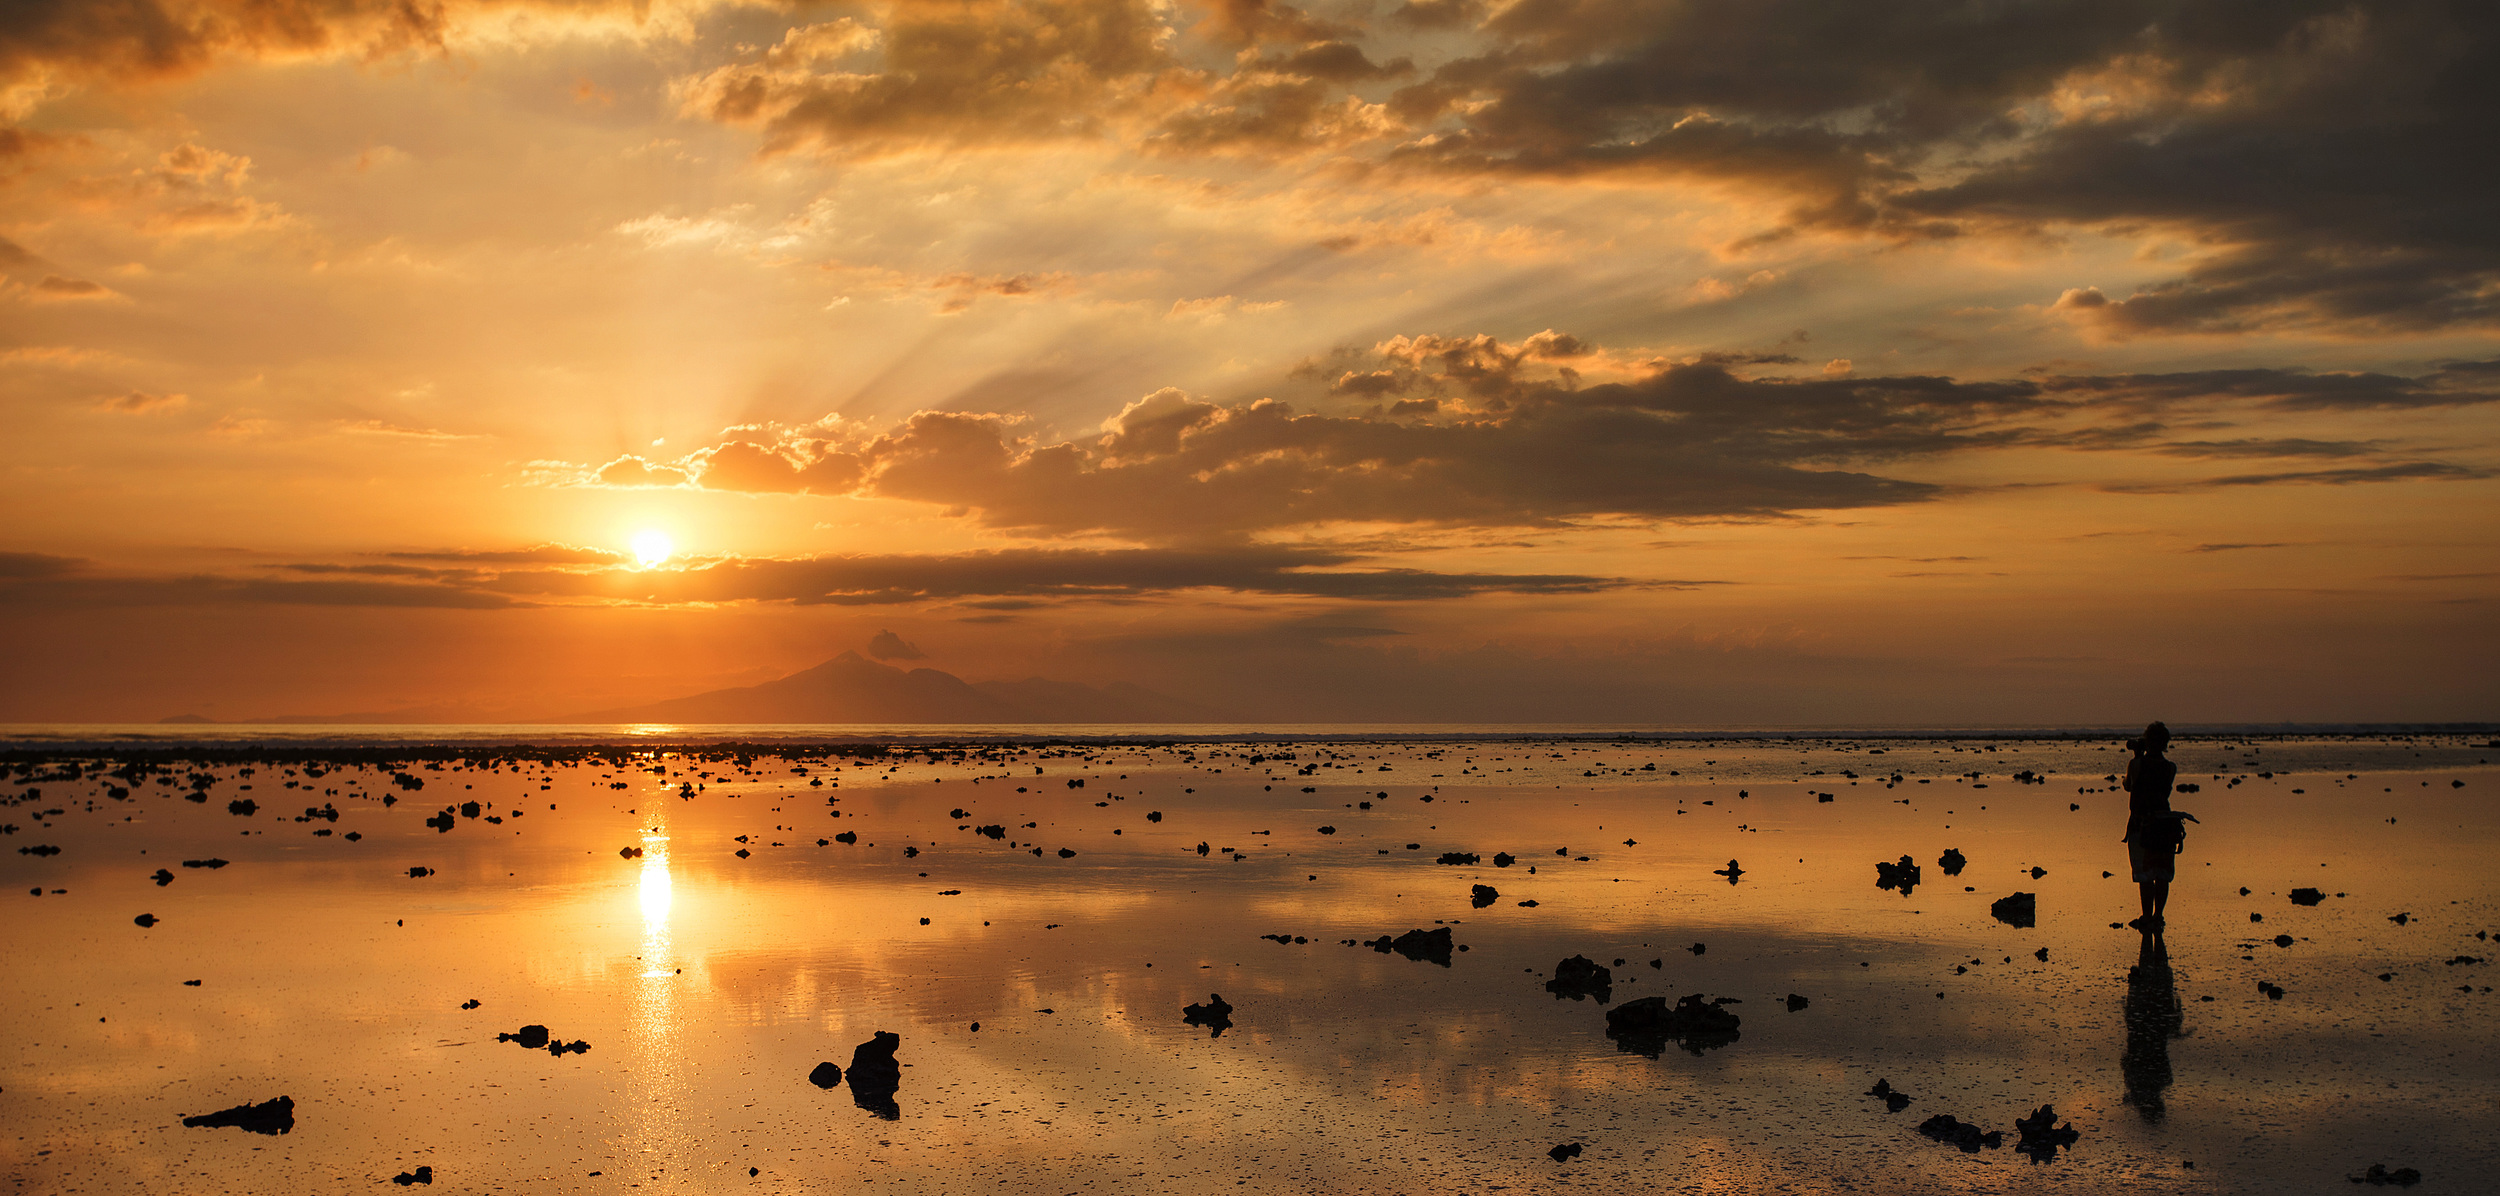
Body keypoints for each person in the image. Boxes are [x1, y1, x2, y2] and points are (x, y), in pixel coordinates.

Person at [2120, 721, 2195, 930]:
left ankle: (2146, 916)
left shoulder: (2136, 764)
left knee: (2145, 875)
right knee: (2162, 874)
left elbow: (2129, 786)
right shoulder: (2170, 767)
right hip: (2164, 824)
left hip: (2140, 824)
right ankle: (2158, 916)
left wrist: (2137, 757)